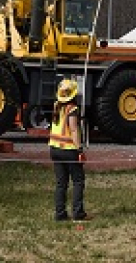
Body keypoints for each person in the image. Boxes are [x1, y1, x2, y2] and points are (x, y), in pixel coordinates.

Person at [48, 77, 88, 222]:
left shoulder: (56, 106)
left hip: (54, 148)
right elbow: (73, 130)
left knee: (61, 183)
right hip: (69, 150)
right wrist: (80, 150)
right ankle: (78, 213)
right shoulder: (72, 109)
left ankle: (60, 213)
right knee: (78, 181)